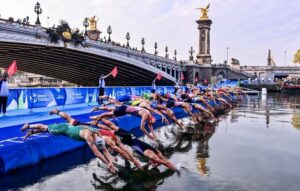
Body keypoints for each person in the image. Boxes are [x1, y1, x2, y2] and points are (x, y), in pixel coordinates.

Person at [20, 121, 116, 173]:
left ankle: (31, 132)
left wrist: (110, 161)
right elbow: (97, 153)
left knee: (47, 130)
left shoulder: (97, 132)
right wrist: (107, 164)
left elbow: (104, 149)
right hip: (64, 128)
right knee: (45, 128)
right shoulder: (89, 137)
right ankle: (29, 126)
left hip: (69, 128)